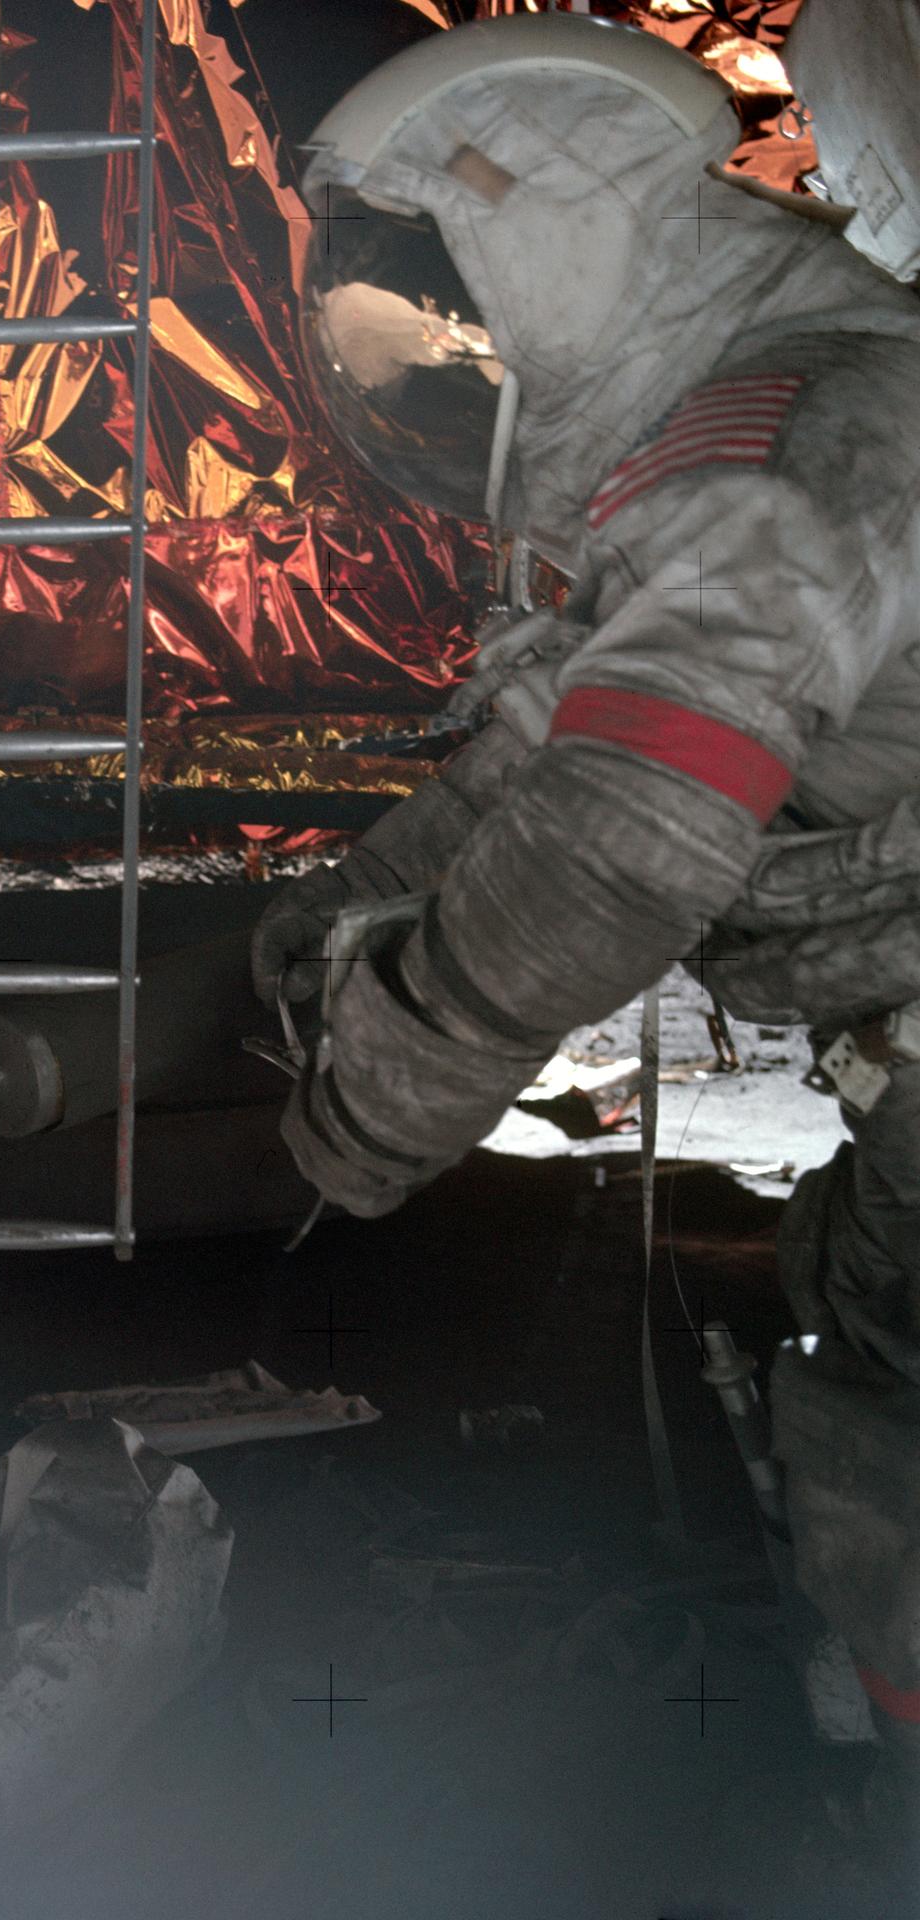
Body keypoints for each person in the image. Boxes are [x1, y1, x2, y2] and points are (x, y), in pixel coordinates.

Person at [251, 6, 920, 1878]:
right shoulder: (737, 442)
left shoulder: (791, 443)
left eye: (439, 319)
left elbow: (632, 826)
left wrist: (396, 1080)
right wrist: (339, 911)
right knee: (877, 1401)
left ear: (563, 246)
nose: (423, 379)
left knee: (898, 1460)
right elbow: (553, 741)